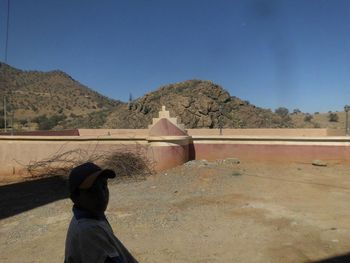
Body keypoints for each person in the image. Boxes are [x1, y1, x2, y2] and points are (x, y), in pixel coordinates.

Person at [64, 162, 138, 263]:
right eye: (92, 191)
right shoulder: (88, 230)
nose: (102, 194)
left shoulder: (93, 215)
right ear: (75, 198)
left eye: (104, 186)